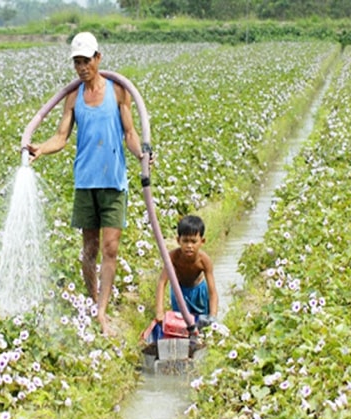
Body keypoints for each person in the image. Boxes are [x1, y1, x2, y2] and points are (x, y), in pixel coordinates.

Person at [24, 32, 148, 336]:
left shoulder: (119, 92)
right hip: (86, 181)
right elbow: (61, 137)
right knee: (89, 248)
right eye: (77, 62)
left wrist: (142, 155)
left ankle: (103, 311)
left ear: (98, 58)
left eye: (86, 60)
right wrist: (40, 148)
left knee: (110, 247)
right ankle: (94, 303)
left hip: (113, 181)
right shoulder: (73, 96)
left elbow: (130, 134)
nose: (82, 67)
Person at [152, 215, 219, 340]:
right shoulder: (172, 257)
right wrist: (159, 312)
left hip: (199, 291)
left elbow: (212, 292)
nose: (189, 246)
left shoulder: (204, 261)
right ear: (178, 240)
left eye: (194, 242)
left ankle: (201, 343)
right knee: (181, 324)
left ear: (202, 242)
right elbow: (162, 283)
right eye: (185, 241)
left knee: (203, 323)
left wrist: (213, 315)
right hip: (179, 292)